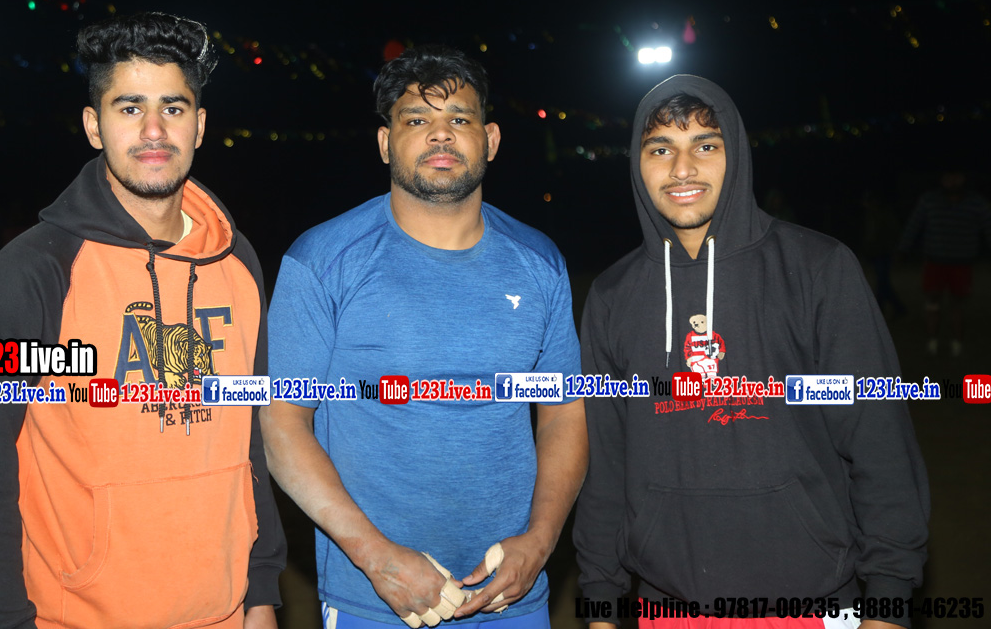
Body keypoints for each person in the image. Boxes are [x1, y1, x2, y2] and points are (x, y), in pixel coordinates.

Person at [0, 12, 285, 628]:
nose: (154, 130)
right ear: (94, 126)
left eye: (173, 108)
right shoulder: (32, 272)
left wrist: (260, 592)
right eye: (129, 108)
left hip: (225, 613)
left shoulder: (237, 263)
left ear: (201, 126)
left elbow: (251, 437)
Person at [573, 75, 929, 629]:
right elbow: (606, 467)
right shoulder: (613, 296)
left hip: (813, 603)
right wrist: (599, 604)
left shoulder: (818, 269)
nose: (682, 169)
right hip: (668, 607)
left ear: (735, 153)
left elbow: (879, 445)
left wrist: (888, 599)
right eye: (660, 149)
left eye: (705, 146)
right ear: (637, 165)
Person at [261, 45, 586, 628]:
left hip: (512, 596)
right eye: (416, 120)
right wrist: (376, 558)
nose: (441, 134)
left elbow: (564, 415)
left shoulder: (539, 262)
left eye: (459, 118)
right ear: (385, 143)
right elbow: (283, 426)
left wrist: (539, 544)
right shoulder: (322, 261)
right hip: (375, 598)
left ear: (490, 139)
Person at [898, 169, 991, 357]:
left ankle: (957, 343)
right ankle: (932, 341)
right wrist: (903, 248)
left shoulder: (977, 203)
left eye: (957, 177)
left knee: (957, 304)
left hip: (962, 263)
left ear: (964, 178)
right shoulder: (929, 200)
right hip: (935, 261)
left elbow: (988, 227)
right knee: (933, 302)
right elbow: (914, 225)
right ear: (941, 179)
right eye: (948, 178)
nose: (952, 182)